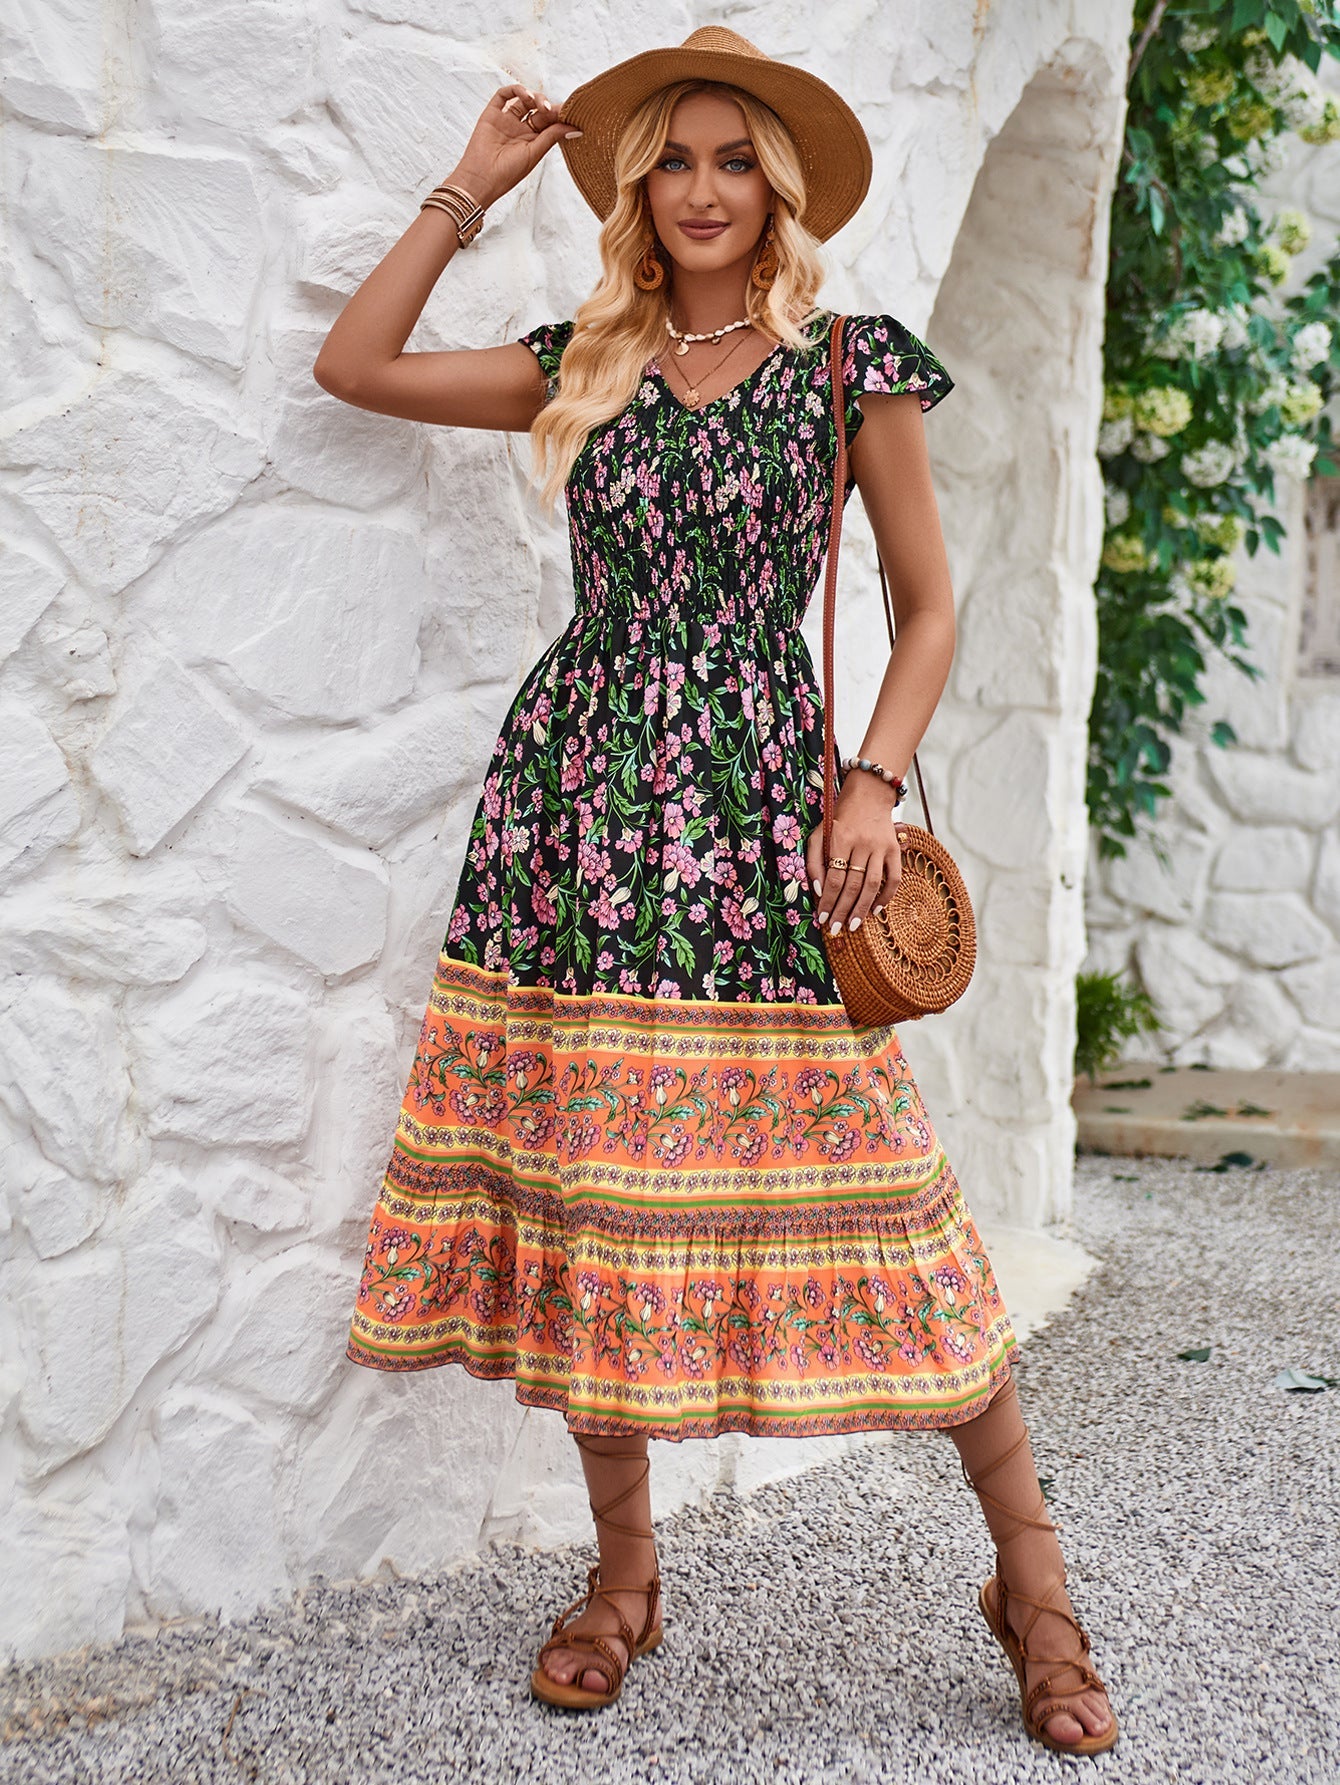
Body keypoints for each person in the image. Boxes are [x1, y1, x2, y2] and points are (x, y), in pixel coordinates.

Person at [315, 26, 1117, 1756]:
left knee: (882, 1188)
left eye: (733, 160)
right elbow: (354, 365)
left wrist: (872, 782)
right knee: (601, 1188)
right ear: (637, 187)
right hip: (578, 818)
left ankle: (1034, 1579)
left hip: (770, 821)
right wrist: (472, 186)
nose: (699, 189)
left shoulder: (847, 366)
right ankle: (623, 1579)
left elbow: (930, 604)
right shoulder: (585, 360)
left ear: (779, 189)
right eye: (671, 160)